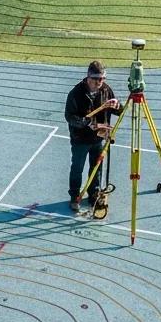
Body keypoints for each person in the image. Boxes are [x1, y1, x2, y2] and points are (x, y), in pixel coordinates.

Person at [64, 60, 121, 213]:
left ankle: (93, 193)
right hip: (80, 139)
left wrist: (118, 105)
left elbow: (117, 110)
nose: (100, 82)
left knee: (96, 167)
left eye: (102, 79)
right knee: (77, 168)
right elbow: (70, 116)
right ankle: (75, 196)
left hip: (98, 138)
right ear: (89, 77)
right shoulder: (75, 94)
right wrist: (87, 123)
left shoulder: (106, 90)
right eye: (97, 79)